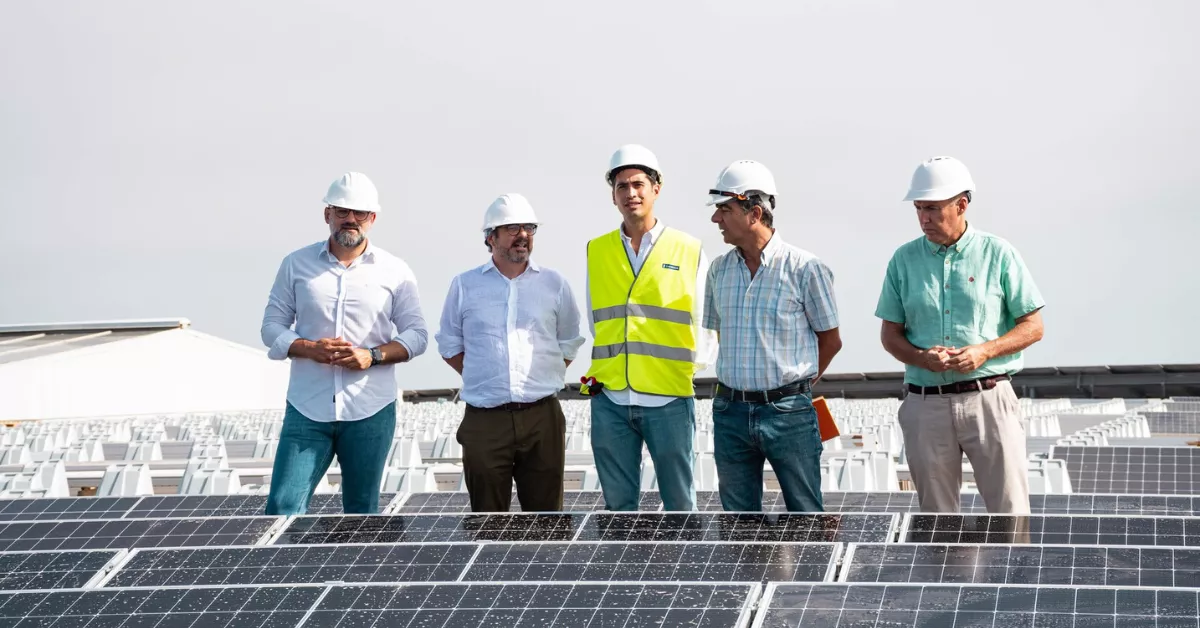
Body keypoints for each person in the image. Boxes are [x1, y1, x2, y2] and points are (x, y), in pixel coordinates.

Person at [875, 156, 1045, 514]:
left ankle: (1013, 572)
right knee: (937, 521)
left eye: (933, 209)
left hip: (989, 399)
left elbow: (1034, 326)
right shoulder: (902, 260)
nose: (924, 218)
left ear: (961, 205)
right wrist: (921, 357)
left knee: (1010, 512)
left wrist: (985, 351)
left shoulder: (998, 253)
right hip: (925, 405)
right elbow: (890, 335)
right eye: (919, 208)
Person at [260, 172, 428, 515]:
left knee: (362, 512)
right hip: (308, 407)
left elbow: (417, 335)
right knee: (282, 508)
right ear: (328, 215)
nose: (350, 219)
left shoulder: (395, 270)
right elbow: (271, 326)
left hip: (370, 408)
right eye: (342, 211)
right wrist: (308, 348)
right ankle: (289, 570)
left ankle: (354, 571)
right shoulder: (296, 264)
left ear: (373, 219)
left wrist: (373, 355)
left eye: (360, 213)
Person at [702, 160, 843, 513]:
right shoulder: (719, 271)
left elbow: (831, 340)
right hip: (730, 411)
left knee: (806, 515)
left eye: (724, 209)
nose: (715, 219)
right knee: (738, 522)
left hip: (789, 413)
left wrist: (796, 386)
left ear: (754, 212)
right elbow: (720, 332)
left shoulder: (805, 269)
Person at [582, 144, 716, 512]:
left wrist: (688, 369)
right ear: (613, 195)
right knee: (618, 508)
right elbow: (596, 320)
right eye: (622, 186)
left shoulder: (688, 249)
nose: (631, 194)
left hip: (668, 398)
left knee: (680, 506)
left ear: (657, 188)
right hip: (611, 398)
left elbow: (707, 322)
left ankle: (683, 570)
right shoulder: (597, 250)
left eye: (638, 184)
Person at [435, 193, 585, 513]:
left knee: (546, 521)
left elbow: (570, 340)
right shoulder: (464, 285)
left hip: (542, 417)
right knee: (487, 520)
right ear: (491, 237)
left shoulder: (554, 283)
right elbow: (449, 345)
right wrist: (487, 375)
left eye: (529, 228)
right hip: (485, 419)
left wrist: (544, 375)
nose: (523, 236)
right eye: (513, 228)